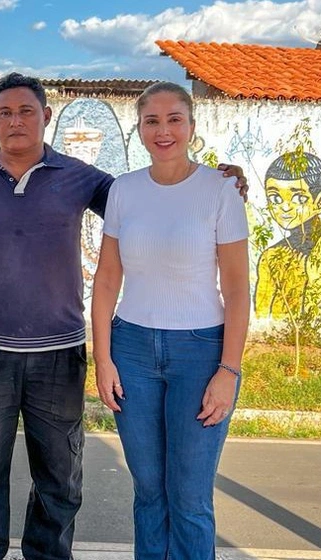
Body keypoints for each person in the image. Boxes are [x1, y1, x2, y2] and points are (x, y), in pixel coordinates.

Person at [0, 72, 247, 560]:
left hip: (60, 351)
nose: (15, 121)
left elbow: (150, 202)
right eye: (5, 113)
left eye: (26, 111)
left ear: (46, 116)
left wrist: (220, 180)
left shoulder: (82, 178)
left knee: (59, 475)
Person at [90, 81, 250, 560]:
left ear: (192, 126)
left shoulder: (221, 191)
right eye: (152, 121)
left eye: (174, 119)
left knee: (189, 498)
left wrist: (229, 370)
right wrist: (103, 359)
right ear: (139, 129)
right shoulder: (124, 190)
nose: (163, 131)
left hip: (201, 353)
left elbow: (237, 289)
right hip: (131, 350)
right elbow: (106, 281)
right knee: (149, 493)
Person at [254, 151, 321, 319]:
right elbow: (262, 315)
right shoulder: (270, 256)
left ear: (320, 201)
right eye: (275, 199)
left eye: (298, 198)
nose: (285, 208)